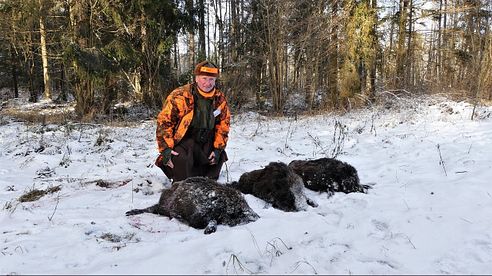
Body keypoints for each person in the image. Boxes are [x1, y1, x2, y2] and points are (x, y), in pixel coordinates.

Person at [155, 60, 230, 182]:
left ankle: (207, 183)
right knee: (180, 160)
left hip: (206, 140)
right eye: (204, 78)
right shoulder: (180, 95)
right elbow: (164, 122)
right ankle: (181, 183)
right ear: (196, 78)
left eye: (211, 79)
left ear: (215, 80)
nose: (207, 83)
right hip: (184, 140)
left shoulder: (219, 99)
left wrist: (217, 149)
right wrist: (166, 149)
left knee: (217, 158)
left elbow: (223, 125)